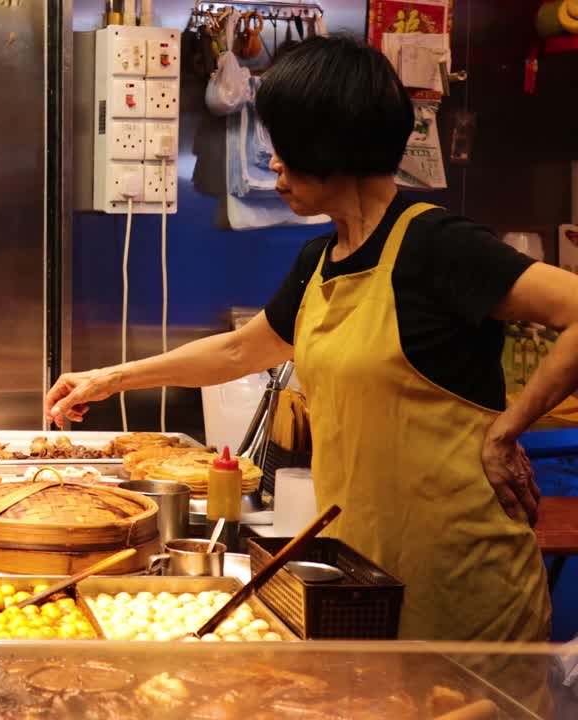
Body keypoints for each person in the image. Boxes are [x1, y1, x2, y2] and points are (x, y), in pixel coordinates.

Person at [47, 36, 568, 645]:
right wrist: (108, 380)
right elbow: (243, 350)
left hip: (464, 587)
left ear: (331, 148)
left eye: (284, 150)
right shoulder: (320, 259)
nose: (274, 166)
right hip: (361, 576)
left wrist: (509, 429)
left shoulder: (439, 247)